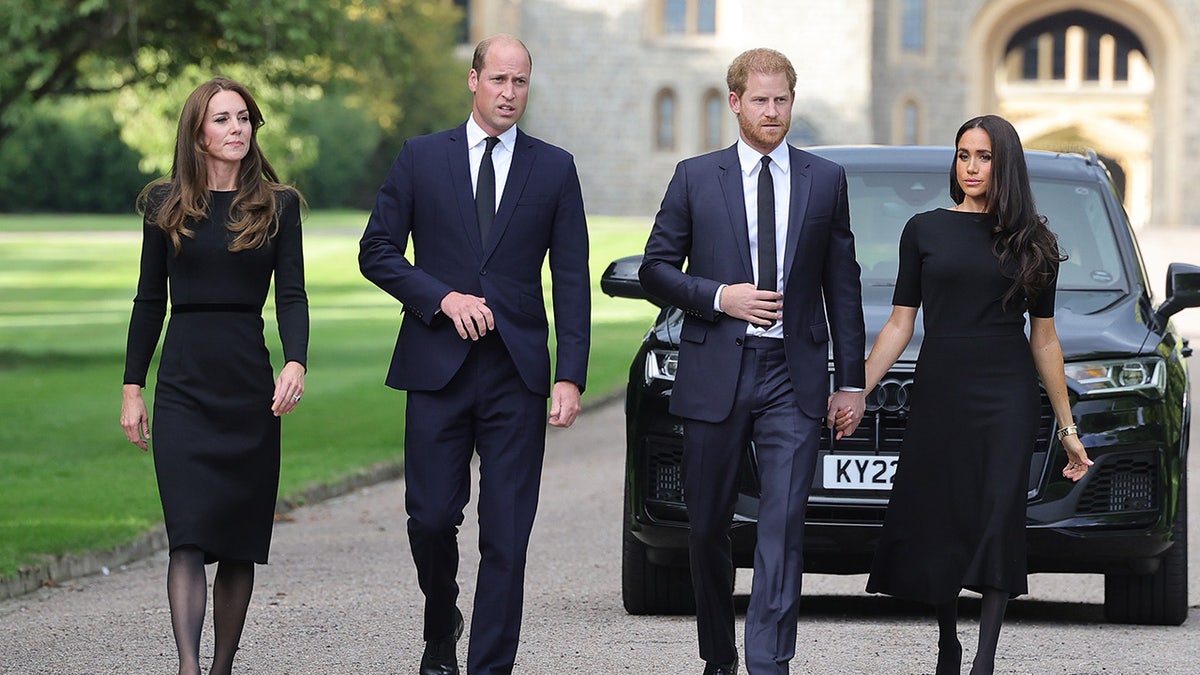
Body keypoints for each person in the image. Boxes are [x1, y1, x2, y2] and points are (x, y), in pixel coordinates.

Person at [358, 34, 590, 675]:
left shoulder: (555, 168)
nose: (509, 93)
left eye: (520, 82)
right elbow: (376, 252)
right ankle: (441, 622)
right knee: (431, 519)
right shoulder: (420, 158)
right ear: (474, 79)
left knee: (506, 537)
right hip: (436, 367)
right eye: (499, 80)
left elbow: (571, 278)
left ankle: (490, 666)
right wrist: (441, 299)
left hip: (516, 374)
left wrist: (570, 374)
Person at [639, 48, 866, 675]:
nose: (772, 111)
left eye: (782, 100)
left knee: (784, 524)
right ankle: (719, 656)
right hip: (715, 371)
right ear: (734, 102)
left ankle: (770, 663)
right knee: (707, 526)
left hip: (791, 378)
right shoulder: (694, 177)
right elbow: (655, 269)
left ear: (794, 101)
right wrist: (719, 297)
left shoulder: (825, 179)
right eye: (760, 100)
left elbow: (842, 287)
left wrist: (850, 382)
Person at [847, 114, 1092, 675]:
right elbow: (899, 325)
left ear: (1004, 164)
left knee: (998, 512)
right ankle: (947, 640)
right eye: (963, 156)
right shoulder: (925, 229)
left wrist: (1067, 429)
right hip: (941, 386)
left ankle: (983, 658)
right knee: (943, 513)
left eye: (983, 157)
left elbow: (1046, 341)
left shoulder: (1036, 242)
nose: (972, 167)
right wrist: (856, 390)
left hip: (1006, 391)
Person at [119, 77, 308, 675]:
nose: (237, 129)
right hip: (183, 384)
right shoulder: (164, 204)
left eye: (244, 118)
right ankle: (189, 667)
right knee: (189, 535)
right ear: (197, 133)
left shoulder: (278, 205)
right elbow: (149, 301)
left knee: (237, 539)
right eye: (223, 119)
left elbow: (293, 298)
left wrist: (296, 360)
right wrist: (132, 387)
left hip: (247, 385)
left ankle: (221, 667)